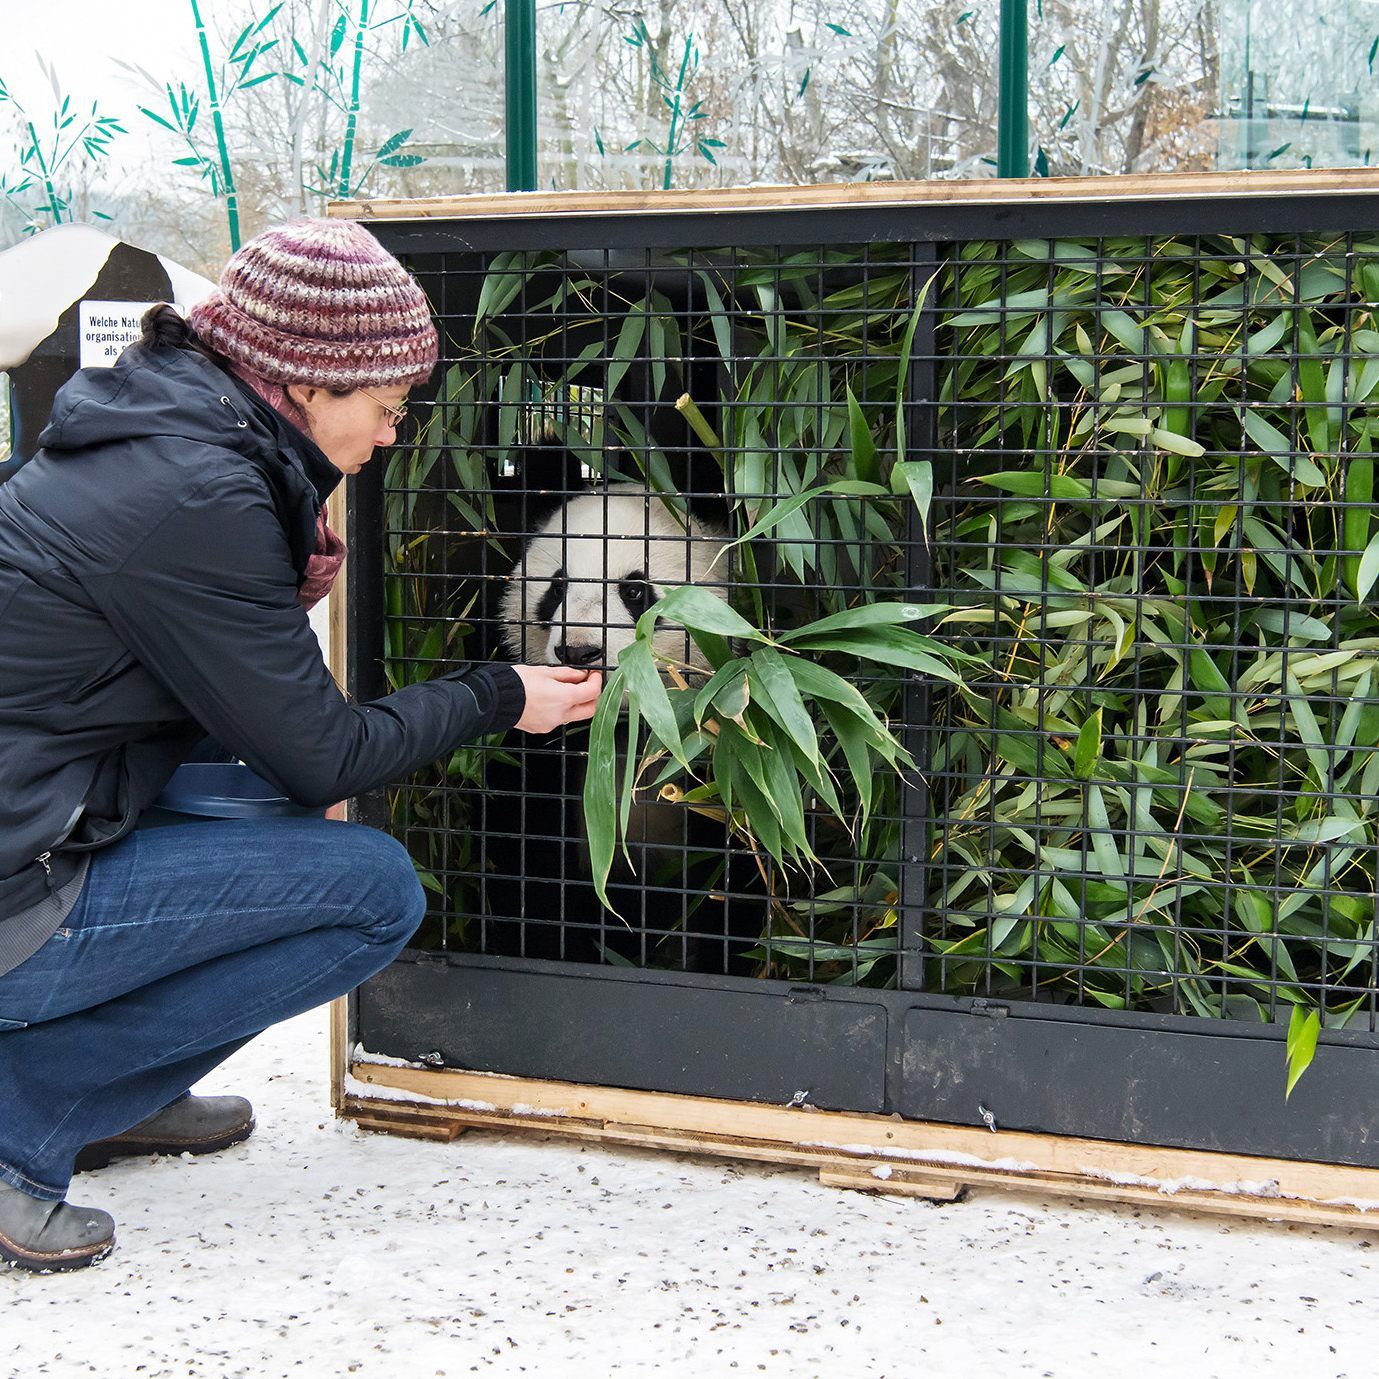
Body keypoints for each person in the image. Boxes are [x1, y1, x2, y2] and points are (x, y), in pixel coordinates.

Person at [0, 218, 602, 1273]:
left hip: (37, 809)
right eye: (385, 406)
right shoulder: (198, 493)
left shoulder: (159, 433)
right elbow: (321, 755)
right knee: (371, 888)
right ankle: (24, 1121)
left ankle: (111, 1098)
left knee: (282, 817)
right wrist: (500, 691)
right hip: (19, 875)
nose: (391, 436)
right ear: (307, 382)